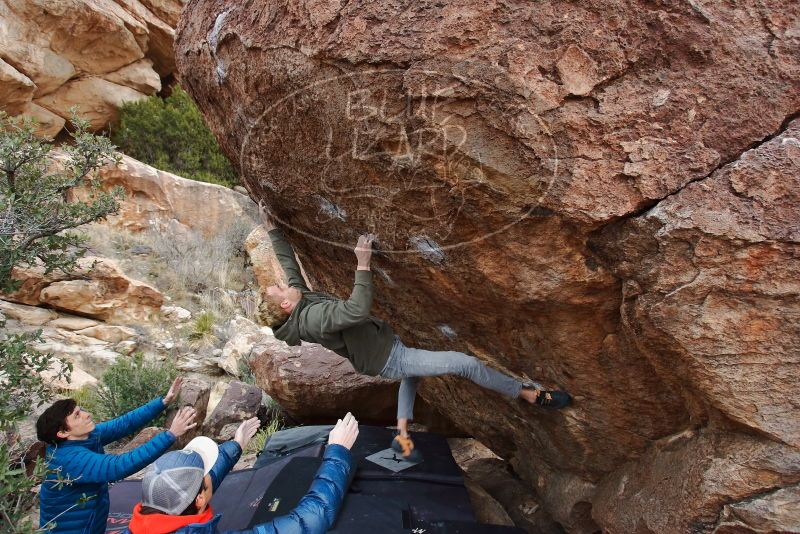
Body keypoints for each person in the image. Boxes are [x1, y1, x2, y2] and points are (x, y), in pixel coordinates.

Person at [256, 202, 571, 461]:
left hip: (381, 348)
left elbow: (290, 269)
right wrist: (362, 264)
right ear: (285, 305)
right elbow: (355, 310)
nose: (284, 284)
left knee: (412, 376)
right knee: (466, 364)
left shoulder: (298, 303)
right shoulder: (312, 318)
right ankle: (528, 394)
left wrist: (272, 230)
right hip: (388, 357)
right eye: (280, 288)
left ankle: (402, 433)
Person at [126, 412, 359, 534]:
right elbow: (308, 521)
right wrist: (337, 452)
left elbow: (200, 484)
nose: (210, 474)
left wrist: (235, 446)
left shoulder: (149, 517)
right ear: (199, 500)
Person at [37, 377, 198, 533]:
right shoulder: (69, 460)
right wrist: (170, 434)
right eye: (77, 415)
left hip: (91, 522)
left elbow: (123, 424)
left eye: (81, 410)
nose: (87, 414)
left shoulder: (85, 436)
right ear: (63, 432)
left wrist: (162, 402)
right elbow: (119, 465)